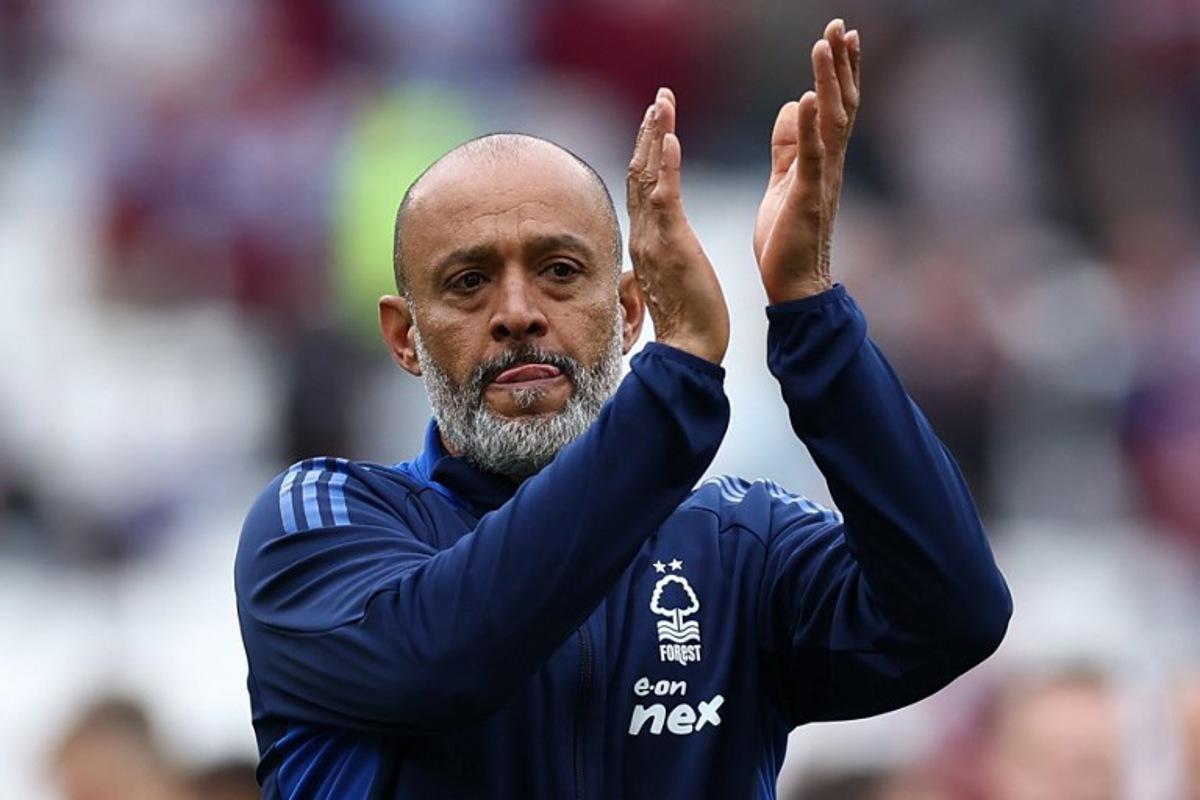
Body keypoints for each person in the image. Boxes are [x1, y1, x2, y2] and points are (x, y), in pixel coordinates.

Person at [234, 18, 1011, 798]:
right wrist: (675, 383)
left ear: (631, 311)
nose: (516, 312)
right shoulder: (318, 526)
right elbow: (444, 661)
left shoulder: (734, 547)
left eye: (560, 271)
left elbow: (953, 616)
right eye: (468, 282)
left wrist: (810, 314)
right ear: (405, 338)